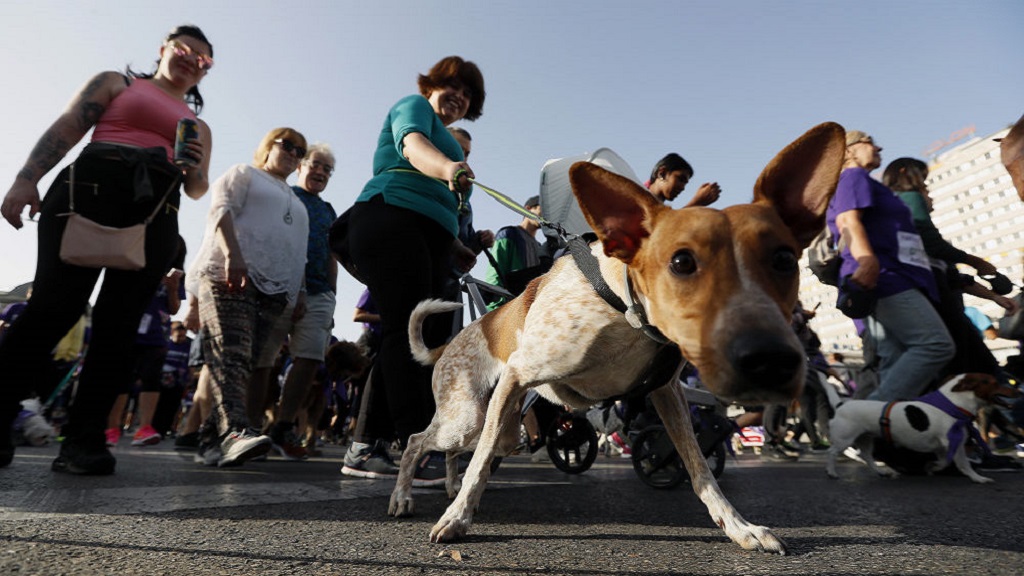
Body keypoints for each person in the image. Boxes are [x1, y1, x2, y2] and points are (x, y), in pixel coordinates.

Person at [0, 25, 214, 474]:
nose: (191, 59)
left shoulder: (197, 126)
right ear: (162, 50)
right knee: (53, 310)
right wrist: (26, 178)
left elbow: (197, 188)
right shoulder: (118, 83)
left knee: (119, 329)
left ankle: (85, 441)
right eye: (183, 49)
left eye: (202, 58)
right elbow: (69, 125)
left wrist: (192, 166)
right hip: (89, 190)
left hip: (155, 211)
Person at [341, 55, 485, 485]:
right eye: (452, 85)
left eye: (468, 93)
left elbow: (438, 201)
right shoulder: (415, 107)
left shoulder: (452, 140)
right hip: (390, 216)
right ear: (431, 85)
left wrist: (455, 243)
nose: (459, 96)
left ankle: (371, 445)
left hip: (427, 237)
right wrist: (448, 167)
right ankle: (412, 443)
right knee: (408, 332)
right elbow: (412, 147)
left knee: (420, 338)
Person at [186, 127, 310, 467]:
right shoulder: (244, 173)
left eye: (301, 152)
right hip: (230, 275)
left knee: (244, 363)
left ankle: (209, 442)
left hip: (274, 289)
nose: (294, 154)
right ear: (269, 146)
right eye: (288, 146)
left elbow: (299, 252)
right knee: (232, 354)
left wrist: (298, 292)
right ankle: (235, 432)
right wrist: (232, 255)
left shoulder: (298, 202)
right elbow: (220, 209)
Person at [826, 131, 954, 402]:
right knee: (935, 345)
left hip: (886, 275)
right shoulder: (852, 176)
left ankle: (884, 438)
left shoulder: (863, 181)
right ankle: (870, 419)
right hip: (885, 276)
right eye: (870, 142)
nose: (879, 146)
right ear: (848, 150)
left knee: (894, 358)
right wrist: (867, 260)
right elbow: (847, 220)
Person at [883, 156, 1017, 379]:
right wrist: (976, 261)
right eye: (925, 185)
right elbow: (933, 245)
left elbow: (954, 278)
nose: (928, 192)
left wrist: (995, 297)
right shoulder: (910, 198)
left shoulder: (891, 213)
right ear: (906, 173)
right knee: (981, 368)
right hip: (942, 305)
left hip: (935, 302)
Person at [252, 143, 340, 461]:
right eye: (316, 164)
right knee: (264, 358)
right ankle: (250, 429)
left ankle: (283, 426)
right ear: (301, 166)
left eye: (327, 169)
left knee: (310, 359)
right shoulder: (283, 195)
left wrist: (331, 292)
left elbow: (332, 253)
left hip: (319, 294)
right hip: (277, 289)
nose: (321, 172)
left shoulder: (328, 210)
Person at [483, 195, 549, 309]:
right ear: (528, 209)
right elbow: (495, 272)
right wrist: (496, 306)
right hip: (506, 308)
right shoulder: (508, 234)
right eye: (541, 210)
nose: (545, 216)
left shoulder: (540, 248)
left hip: (528, 309)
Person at [645, 153, 721, 206]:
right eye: (680, 179)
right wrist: (696, 203)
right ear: (662, 173)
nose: (683, 187)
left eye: (685, 183)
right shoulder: (636, 199)